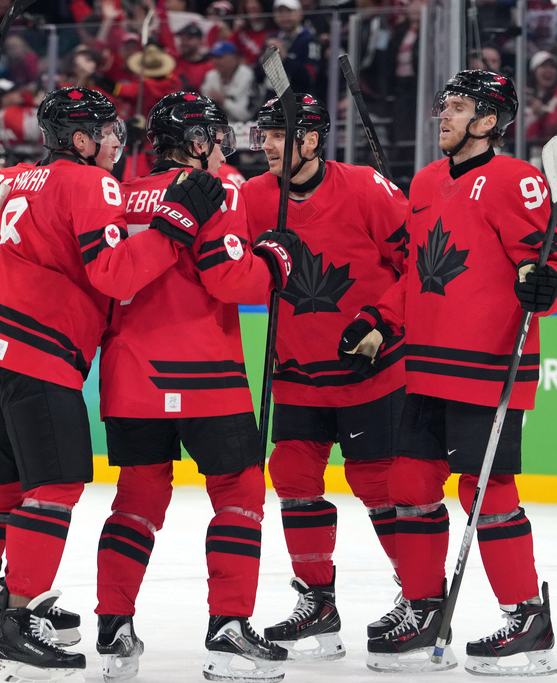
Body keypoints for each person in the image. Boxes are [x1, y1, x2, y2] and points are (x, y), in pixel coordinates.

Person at [0, 86, 222, 682]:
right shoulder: (89, 182)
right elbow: (116, 273)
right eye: (108, 135)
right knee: (55, 486)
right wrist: (177, 226)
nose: (117, 146)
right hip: (37, 352)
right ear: (81, 140)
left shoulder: (10, 181)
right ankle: (20, 623)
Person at [340, 70, 557, 675]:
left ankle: (527, 618)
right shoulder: (423, 183)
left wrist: (550, 285)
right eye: (442, 104)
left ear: (489, 120)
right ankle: (422, 610)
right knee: (410, 487)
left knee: (487, 493)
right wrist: (380, 318)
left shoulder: (517, 180)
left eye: (457, 106)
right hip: (426, 368)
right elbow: (421, 273)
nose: (442, 114)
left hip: (488, 367)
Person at [94, 91, 291, 683]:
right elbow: (229, 279)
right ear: (197, 141)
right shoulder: (223, 186)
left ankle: (113, 626)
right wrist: (274, 264)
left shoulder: (124, 193)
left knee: (136, 500)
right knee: (238, 494)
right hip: (205, 373)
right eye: (214, 134)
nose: (222, 146)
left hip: (129, 376)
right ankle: (228, 633)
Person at [240, 93, 409, 661]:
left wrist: (383, 321)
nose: (265, 146)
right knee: (291, 478)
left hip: (370, 368)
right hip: (293, 371)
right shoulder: (252, 198)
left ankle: (418, 599)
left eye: (278, 137)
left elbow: (419, 268)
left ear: (312, 141)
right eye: (262, 135)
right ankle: (318, 602)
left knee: (381, 485)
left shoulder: (366, 188)